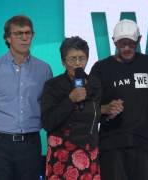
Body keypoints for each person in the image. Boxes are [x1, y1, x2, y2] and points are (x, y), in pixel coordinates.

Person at [0, 15, 53, 180]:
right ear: (8, 38)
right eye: (18, 34)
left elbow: (47, 105)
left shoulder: (44, 69)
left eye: (28, 33)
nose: (24, 38)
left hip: (30, 144)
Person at [89, 19, 148, 180]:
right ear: (114, 41)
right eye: (122, 44)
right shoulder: (100, 68)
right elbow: (88, 106)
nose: (126, 48)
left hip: (142, 141)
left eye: (131, 44)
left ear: (139, 40)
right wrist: (105, 109)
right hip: (111, 143)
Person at [41, 36, 101, 180]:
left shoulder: (95, 84)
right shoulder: (53, 86)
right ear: (63, 61)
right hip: (61, 154)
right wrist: (70, 100)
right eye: (72, 59)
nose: (77, 63)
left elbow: (96, 115)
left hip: (88, 151)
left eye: (82, 58)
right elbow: (48, 122)